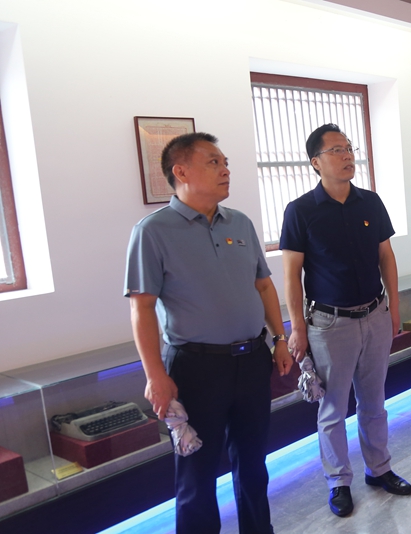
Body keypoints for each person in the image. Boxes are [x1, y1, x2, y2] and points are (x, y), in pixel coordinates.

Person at [125, 132, 293, 534]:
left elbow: (263, 285)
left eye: (225, 162)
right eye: (213, 162)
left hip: (251, 360)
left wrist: (280, 339)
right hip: (195, 367)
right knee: (196, 474)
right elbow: (141, 308)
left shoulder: (240, 222)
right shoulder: (153, 231)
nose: (225, 169)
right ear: (181, 172)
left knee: (253, 464)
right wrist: (155, 375)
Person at [281, 124, 411, 518]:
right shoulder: (300, 211)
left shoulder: (370, 202)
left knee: (374, 401)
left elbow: (386, 256)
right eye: (336, 150)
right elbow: (292, 275)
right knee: (333, 409)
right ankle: (338, 481)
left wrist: (394, 307)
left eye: (349, 148)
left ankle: (379, 468)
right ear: (315, 162)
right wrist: (297, 328)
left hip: (374, 315)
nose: (347, 155)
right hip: (329, 324)